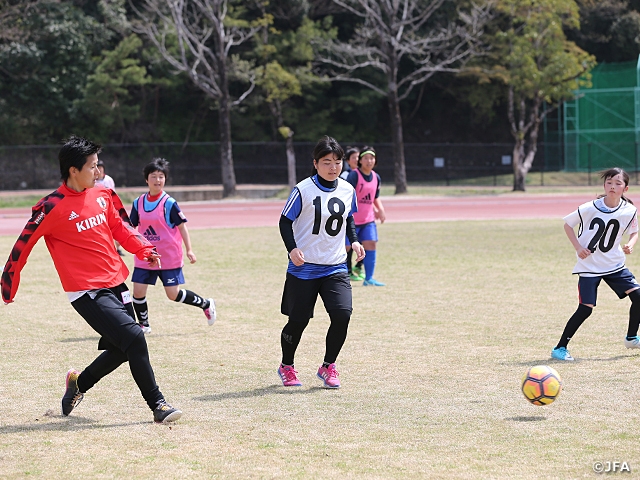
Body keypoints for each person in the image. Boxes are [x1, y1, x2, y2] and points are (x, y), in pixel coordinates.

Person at [1, 135, 182, 423]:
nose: (98, 173)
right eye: (92, 167)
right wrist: (8, 284)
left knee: (124, 348)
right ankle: (158, 405)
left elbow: (122, 227)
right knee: (135, 337)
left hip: (116, 282)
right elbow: (23, 245)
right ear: (74, 170)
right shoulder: (50, 207)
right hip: (86, 291)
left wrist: (144, 249)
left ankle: (78, 384)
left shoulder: (103, 195)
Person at [277, 136, 365, 388]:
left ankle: (328, 366)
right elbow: (284, 222)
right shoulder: (303, 189)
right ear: (315, 164)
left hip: (335, 266)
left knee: (342, 315)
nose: (333, 167)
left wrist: (355, 241)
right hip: (304, 268)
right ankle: (287, 366)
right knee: (298, 321)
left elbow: (348, 218)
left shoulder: (347, 189)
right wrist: (292, 249)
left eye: (337, 162)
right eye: (327, 162)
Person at [551, 167, 640, 361]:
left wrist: (630, 244)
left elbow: (634, 231)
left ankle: (632, 338)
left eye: (618, 183)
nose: (612, 186)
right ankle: (560, 348)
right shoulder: (589, 207)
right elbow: (568, 224)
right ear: (604, 185)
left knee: (639, 297)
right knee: (586, 308)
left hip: (615, 265)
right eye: (609, 182)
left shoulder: (629, 210)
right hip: (590, 267)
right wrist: (578, 247)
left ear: (625, 188)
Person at [129, 158, 216, 334]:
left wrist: (189, 250)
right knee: (138, 291)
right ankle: (144, 325)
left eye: (161, 176)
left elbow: (182, 227)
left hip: (168, 256)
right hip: (146, 255)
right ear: (147, 179)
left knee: (173, 294)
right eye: (153, 176)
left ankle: (206, 304)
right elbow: (131, 228)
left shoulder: (169, 203)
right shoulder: (138, 203)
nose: (157, 180)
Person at [345, 145, 386, 286]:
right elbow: (346, 194)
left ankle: (368, 279)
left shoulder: (376, 177)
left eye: (372, 158)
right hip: (351, 220)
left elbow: (375, 197)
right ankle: (340, 278)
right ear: (360, 161)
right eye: (366, 158)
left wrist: (380, 209)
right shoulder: (354, 175)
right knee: (345, 248)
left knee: (371, 245)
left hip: (368, 220)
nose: (369, 161)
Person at [95, 159, 125, 256]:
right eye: (96, 168)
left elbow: (113, 194)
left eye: (100, 168)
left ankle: (117, 248)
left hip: (109, 208)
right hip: (97, 210)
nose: (99, 170)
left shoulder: (108, 180)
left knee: (118, 228)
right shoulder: (91, 181)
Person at [340, 147, 360, 279]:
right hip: (348, 215)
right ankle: (347, 270)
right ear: (347, 160)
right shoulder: (345, 176)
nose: (356, 160)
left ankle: (357, 268)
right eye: (353, 157)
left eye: (358, 157)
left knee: (360, 243)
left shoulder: (362, 174)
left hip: (361, 216)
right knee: (347, 245)